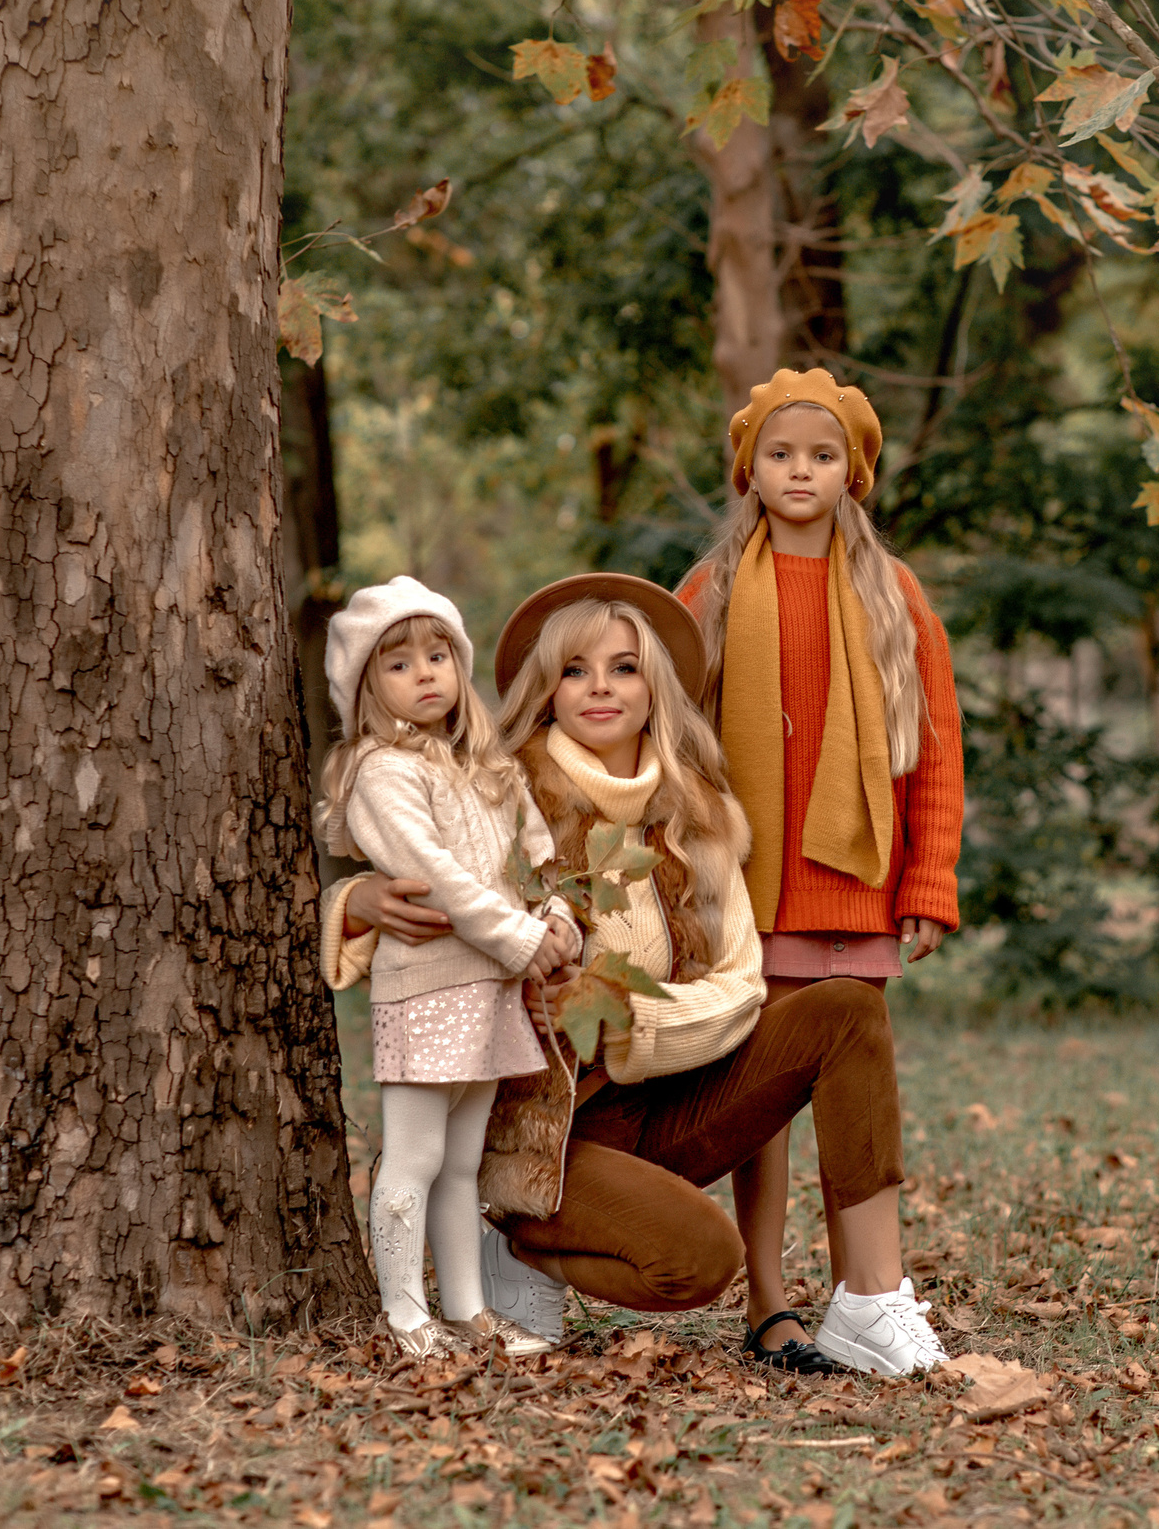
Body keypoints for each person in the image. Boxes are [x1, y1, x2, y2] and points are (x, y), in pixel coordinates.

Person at [323, 574, 948, 1376]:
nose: (600, 688)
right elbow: (415, 854)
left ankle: (870, 1298)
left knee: (846, 1007)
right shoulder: (499, 782)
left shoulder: (703, 813)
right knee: (695, 1261)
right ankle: (525, 1248)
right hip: (551, 1135)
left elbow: (741, 982)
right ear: (546, 688)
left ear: (655, 683)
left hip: (669, 1094)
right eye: (576, 669)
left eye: (623, 667)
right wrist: (357, 898)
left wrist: (634, 1023)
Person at [676, 367, 964, 1368]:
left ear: (856, 474)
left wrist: (928, 881)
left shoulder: (892, 592)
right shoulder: (708, 594)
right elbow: (658, 744)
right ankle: (767, 1301)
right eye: (780, 453)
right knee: (760, 1102)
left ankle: (866, 1294)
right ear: (748, 470)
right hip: (745, 894)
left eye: (823, 454)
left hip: (854, 889)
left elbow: (934, 745)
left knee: (853, 1092)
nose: (801, 470)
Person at [316, 577, 580, 1361]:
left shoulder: (488, 767)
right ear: (365, 687)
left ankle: (468, 1309)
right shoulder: (381, 772)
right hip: (428, 984)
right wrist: (518, 938)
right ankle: (404, 1313)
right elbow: (432, 874)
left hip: (493, 989)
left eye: (439, 655)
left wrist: (558, 917)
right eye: (398, 664)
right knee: (416, 1153)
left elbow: (538, 856)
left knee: (463, 1160)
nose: (425, 673)